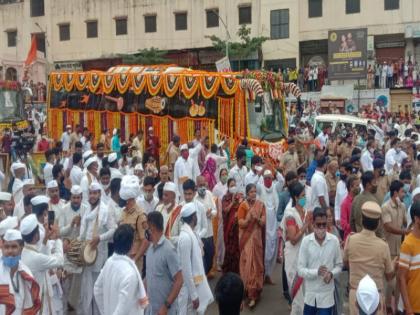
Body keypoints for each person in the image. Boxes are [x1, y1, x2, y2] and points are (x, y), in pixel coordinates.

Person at [344, 201, 396, 315]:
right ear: (378, 224)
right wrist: (394, 265)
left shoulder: (351, 239)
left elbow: (346, 263)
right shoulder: (383, 246)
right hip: (376, 298)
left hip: (355, 294)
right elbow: (389, 276)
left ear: (362, 221)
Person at [94, 224, 149, 315]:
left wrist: (105, 312)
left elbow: (97, 289)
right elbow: (122, 310)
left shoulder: (109, 262)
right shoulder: (130, 273)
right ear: (132, 245)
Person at [79, 182, 116, 315]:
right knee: (86, 291)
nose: (93, 196)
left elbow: (113, 230)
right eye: (91, 193)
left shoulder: (106, 210)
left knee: (97, 291)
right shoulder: (86, 209)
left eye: (95, 193)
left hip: (98, 257)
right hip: (86, 256)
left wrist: (100, 238)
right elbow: (83, 232)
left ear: (100, 194)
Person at [297, 207, 343, 315]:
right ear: (313, 224)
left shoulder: (334, 241)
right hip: (310, 295)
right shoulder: (306, 242)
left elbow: (339, 265)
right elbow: (300, 270)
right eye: (319, 225)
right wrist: (316, 272)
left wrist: (331, 274)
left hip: (326, 296)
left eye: (324, 224)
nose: (322, 228)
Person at [20, 214, 64, 315]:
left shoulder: (25, 251)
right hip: (38, 305)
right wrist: (58, 238)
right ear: (36, 236)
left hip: (33, 301)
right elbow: (60, 260)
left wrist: (45, 240)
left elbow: (40, 257)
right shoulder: (35, 258)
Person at [280, 182, 311, 315]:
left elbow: (309, 234)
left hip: (304, 254)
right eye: (303, 195)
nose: (305, 198)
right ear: (296, 197)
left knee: (305, 291)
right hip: (293, 255)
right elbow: (293, 239)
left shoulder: (304, 212)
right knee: (297, 293)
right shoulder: (290, 214)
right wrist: (306, 224)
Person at [177, 202, 214, 314]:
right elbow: (186, 270)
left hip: (194, 285)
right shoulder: (186, 238)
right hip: (188, 291)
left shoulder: (192, 234)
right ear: (194, 217)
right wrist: (194, 295)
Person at [145, 211, 183, 315]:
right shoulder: (150, 248)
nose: (146, 230)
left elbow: (179, 280)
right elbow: (149, 275)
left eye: (146, 227)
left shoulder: (169, 250)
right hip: (151, 309)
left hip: (166, 311)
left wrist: (166, 306)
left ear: (152, 227)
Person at [237, 183, 266, 308]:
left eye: (255, 191)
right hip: (247, 240)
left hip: (257, 239)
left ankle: (255, 292)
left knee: (257, 265)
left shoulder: (261, 205)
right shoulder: (243, 205)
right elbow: (240, 222)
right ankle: (248, 292)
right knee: (248, 265)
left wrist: (258, 219)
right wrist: (249, 219)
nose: (253, 193)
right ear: (247, 193)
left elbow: (263, 222)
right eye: (251, 192)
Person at [0, 229, 41, 314]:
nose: (10, 251)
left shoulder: (26, 274)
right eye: (6, 247)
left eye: (14, 246)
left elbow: (30, 305)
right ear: (2, 248)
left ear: (21, 249)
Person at [381, 180, 408, 313]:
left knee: (398, 282)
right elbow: (388, 227)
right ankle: (387, 306)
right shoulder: (385, 207)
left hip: (400, 250)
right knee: (389, 282)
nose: (405, 193)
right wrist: (405, 231)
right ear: (395, 193)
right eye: (402, 191)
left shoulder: (402, 206)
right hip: (388, 250)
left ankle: (396, 306)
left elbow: (404, 222)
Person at [119, 175, 148, 270]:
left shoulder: (140, 214)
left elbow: (145, 241)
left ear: (128, 200)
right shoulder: (123, 212)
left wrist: (135, 259)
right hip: (122, 257)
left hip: (134, 259)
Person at [257, 170, 280, 285]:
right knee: (264, 251)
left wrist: (275, 170)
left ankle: (268, 275)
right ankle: (262, 275)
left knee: (273, 248)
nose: (268, 180)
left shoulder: (275, 188)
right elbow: (253, 183)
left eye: (270, 178)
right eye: (265, 178)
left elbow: (282, 180)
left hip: (274, 223)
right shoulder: (260, 188)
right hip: (264, 224)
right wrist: (261, 172)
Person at [398, 200, 420, 315]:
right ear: (416, 219)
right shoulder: (407, 244)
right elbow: (401, 278)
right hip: (414, 309)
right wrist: (409, 309)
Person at [195, 176, 217, 276]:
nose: (203, 187)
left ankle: (204, 275)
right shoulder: (194, 198)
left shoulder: (209, 194)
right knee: (201, 259)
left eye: (204, 185)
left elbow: (215, 210)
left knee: (211, 254)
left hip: (209, 232)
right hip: (199, 235)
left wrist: (211, 213)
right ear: (196, 186)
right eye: (200, 185)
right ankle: (201, 279)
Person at [222, 178, 242, 274]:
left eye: (234, 185)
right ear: (228, 187)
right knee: (229, 250)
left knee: (237, 250)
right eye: (231, 185)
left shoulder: (240, 197)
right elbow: (225, 211)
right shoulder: (225, 198)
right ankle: (228, 272)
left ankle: (237, 272)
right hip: (229, 229)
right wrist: (232, 202)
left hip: (238, 229)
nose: (233, 187)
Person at [340, 175, 360, 241]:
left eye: (359, 185)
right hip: (350, 239)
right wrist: (356, 227)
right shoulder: (345, 203)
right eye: (357, 186)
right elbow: (343, 224)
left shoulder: (360, 200)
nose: (359, 188)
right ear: (351, 187)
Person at [334, 162, 352, 226]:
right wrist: (337, 217)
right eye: (340, 172)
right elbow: (337, 203)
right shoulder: (339, 184)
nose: (341, 174)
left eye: (342, 172)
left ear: (349, 172)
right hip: (341, 220)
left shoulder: (357, 185)